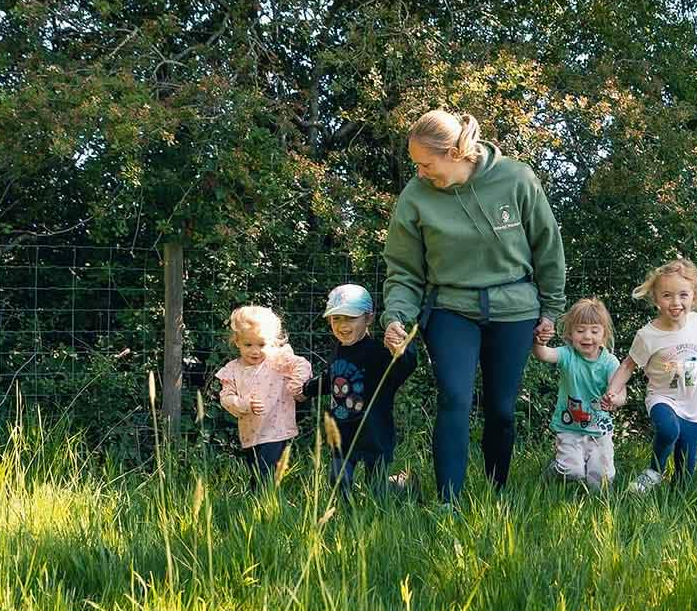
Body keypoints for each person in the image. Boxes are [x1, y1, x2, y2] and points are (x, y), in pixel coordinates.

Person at [380, 109, 565, 503]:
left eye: (426, 163)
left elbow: (547, 247)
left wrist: (551, 309)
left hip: (513, 309)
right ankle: (449, 501)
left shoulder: (516, 178)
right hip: (450, 307)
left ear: (454, 153)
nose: (420, 172)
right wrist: (397, 317)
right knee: (454, 398)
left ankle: (498, 491)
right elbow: (403, 270)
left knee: (501, 408)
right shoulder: (416, 196)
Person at [603, 258, 697, 493]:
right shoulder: (648, 335)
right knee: (669, 430)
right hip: (662, 398)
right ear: (656, 298)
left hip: (692, 405)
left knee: (685, 473)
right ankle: (653, 472)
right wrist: (613, 390)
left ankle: (675, 501)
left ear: (693, 296)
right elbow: (628, 365)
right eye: (667, 295)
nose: (676, 302)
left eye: (683, 295)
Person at [301, 284, 418, 500]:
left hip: (374, 432)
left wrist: (402, 352)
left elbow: (402, 369)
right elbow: (331, 379)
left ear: (369, 318)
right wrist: (306, 389)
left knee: (378, 490)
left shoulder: (377, 352)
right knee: (338, 481)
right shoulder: (337, 349)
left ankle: (405, 484)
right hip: (342, 430)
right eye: (336, 319)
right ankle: (343, 518)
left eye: (350, 318)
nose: (342, 325)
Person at [531, 297, 621, 491]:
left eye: (594, 331)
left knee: (601, 482)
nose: (587, 336)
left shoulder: (610, 363)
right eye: (580, 331)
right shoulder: (567, 355)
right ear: (571, 334)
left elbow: (621, 393)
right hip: (570, 426)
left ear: (604, 334)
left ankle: (598, 504)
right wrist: (539, 343)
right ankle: (555, 469)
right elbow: (544, 355)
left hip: (599, 430)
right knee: (572, 471)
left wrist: (615, 399)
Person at [214, 305, 311, 484]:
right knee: (256, 472)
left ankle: (264, 504)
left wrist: (296, 385)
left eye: (262, 344)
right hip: (250, 433)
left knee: (266, 475)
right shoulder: (233, 369)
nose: (255, 351)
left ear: (272, 342)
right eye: (248, 344)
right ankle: (259, 505)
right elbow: (226, 398)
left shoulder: (277, 359)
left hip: (276, 429)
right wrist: (244, 404)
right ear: (237, 341)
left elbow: (302, 365)